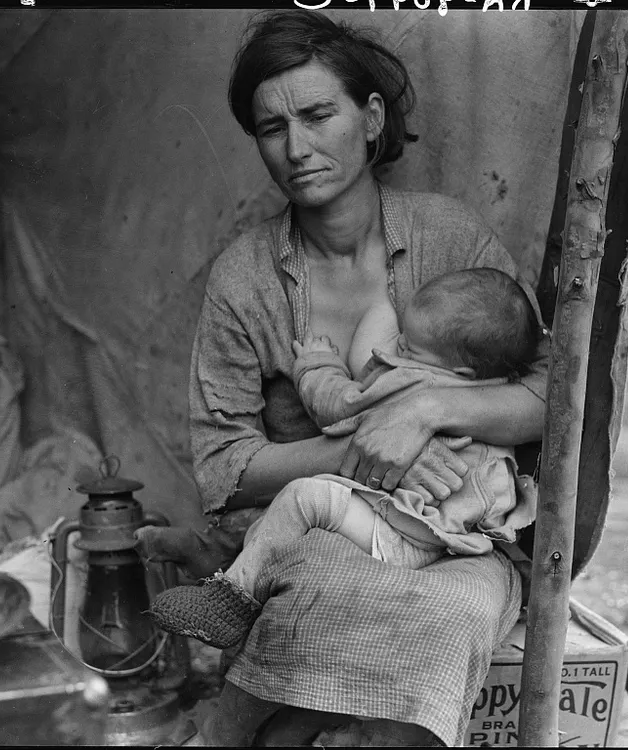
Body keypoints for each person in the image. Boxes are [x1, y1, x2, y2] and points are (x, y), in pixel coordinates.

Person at [138, 10, 550, 746]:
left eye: (318, 114)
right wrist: (364, 449)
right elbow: (223, 471)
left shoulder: (450, 238)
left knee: (446, 624)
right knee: (321, 592)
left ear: (370, 118)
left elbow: (552, 397)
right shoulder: (246, 277)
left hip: (461, 539)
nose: (297, 148)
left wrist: (423, 410)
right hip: (328, 529)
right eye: (272, 128)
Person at [151, 268, 541, 650]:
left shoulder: (413, 381)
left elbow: (339, 406)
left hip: (409, 535)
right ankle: (221, 555)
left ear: (458, 370)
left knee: (304, 499)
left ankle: (230, 601)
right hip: (449, 529)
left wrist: (318, 364)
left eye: (407, 347)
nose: (395, 347)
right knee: (294, 519)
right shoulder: (493, 390)